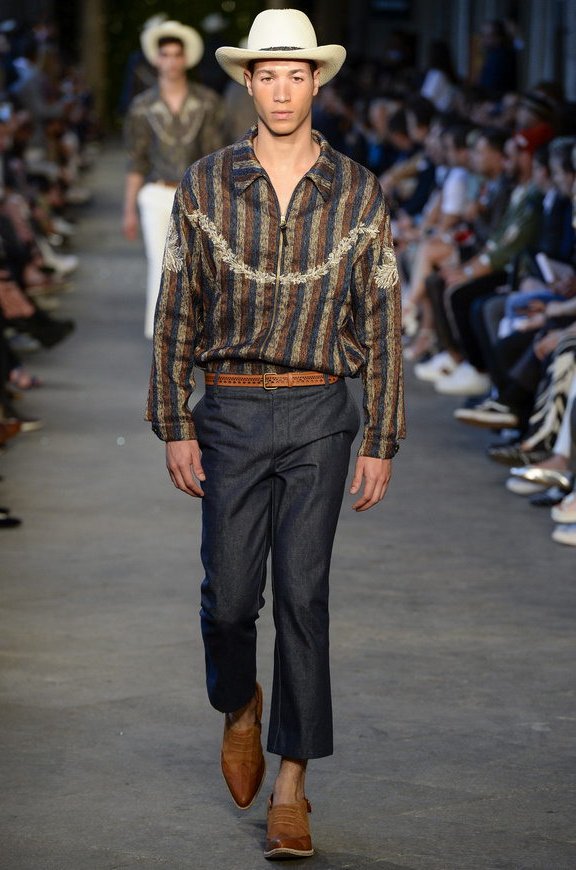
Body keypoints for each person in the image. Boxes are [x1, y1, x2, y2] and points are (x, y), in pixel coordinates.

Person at [146, 8, 405, 861]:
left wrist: (381, 435)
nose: (284, 90)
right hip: (227, 409)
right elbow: (175, 310)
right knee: (227, 601)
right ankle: (239, 705)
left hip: (320, 413)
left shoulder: (357, 190)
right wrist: (174, 420)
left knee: (302, 595)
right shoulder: (204, 184)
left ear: (317, 80)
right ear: (248, 82)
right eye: (269, 75)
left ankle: (292, 785)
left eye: (298, 74)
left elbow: (384, 317)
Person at [123, 19, 225, 339]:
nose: (170, 61)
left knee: (198, 263)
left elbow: (215, 155)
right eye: (164, 54)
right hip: (156, 193)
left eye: (176, 54)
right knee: (160, 261)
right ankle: (162, 335)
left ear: (185, 58)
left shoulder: (207, 102)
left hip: (196, 194)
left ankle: (194, 331)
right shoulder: (142, 107)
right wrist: (128, 210)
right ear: (155, 59)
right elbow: (136, 160)